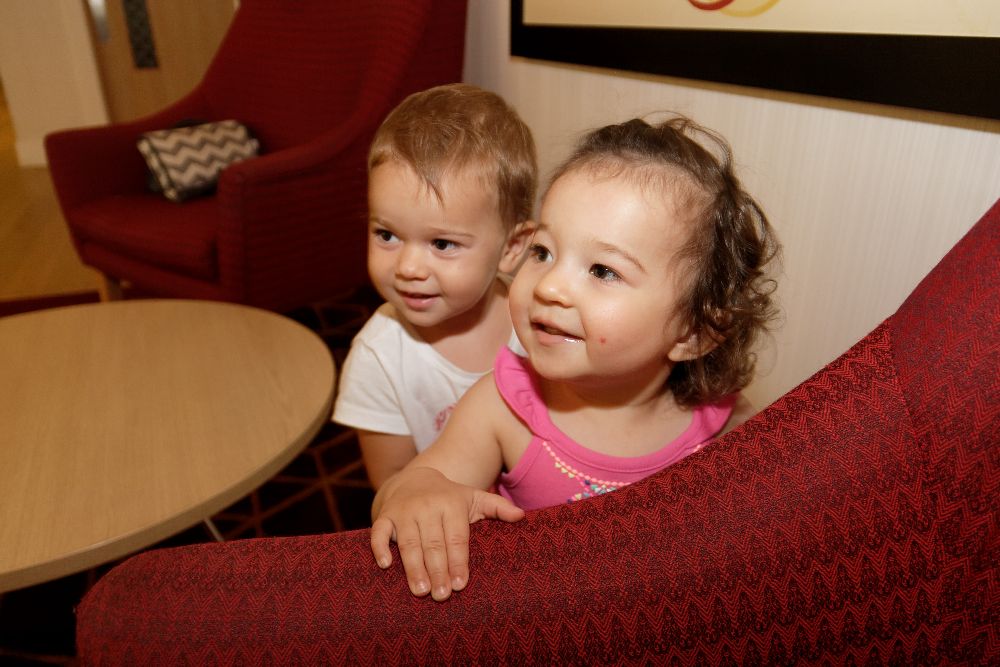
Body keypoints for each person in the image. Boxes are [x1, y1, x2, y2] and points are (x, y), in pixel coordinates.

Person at [370, 115, 781, 601]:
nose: (549, 286)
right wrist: (414, 494)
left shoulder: (725, 420)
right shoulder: (503, 407)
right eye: (543, 252)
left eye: (603, 271)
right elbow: (409, 486)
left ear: (693, 333)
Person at [333, 84, 538, 490]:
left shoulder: (542, 321)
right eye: (387, 235)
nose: (408, 267)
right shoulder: (380, 358)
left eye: (442, 244)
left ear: (512, 248)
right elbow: (392, 488)